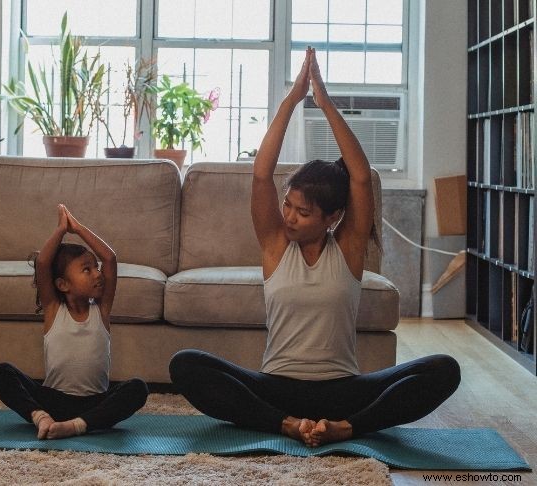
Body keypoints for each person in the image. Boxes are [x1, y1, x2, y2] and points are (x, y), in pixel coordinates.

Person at [169, 47, 460, 447]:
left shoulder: (348, 248)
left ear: (332, 217)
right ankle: (286, 424)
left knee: (444, 368)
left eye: (302, 212)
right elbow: (260, 175)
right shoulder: (275, 245)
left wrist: (324, 103)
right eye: (287, 205)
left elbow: (360, 177)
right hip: (275, 386)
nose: (288, 216)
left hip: (343, 391)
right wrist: (291, 100)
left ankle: (346, 428)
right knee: (185, 365)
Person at [0, 204, 148, 440]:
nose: (97, 274)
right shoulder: (54, 310)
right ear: (63, 284)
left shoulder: (102, 310)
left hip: (96, 402)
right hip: (54, 400)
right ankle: (41, 418)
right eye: (87, 270)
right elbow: (43, 264)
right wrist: (60, 231)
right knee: (2, 373)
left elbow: (110, 259)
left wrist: (77, 228)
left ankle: (75, 426)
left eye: (95, 268)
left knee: (137, 388)